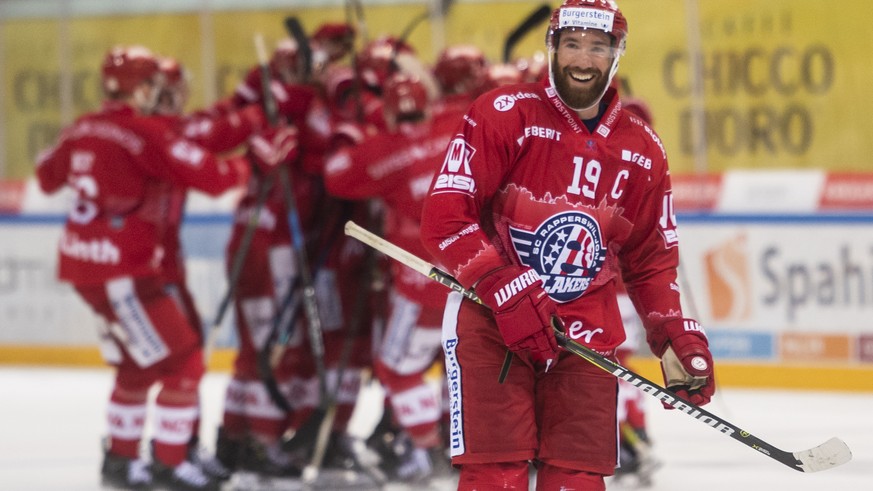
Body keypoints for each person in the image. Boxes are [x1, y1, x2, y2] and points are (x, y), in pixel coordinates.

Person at [419, 1, 716, 489]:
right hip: (492, 321)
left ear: (618, 53)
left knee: (577, 478)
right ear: (551, 46)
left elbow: (650, 263)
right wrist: (498, 281)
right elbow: (446, 215)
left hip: (586, 335)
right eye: (572, 44)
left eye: (598, 47)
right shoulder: (502, 113)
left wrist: (673, 334)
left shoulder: (644, 150)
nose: (583, 58)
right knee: (498, 474)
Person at [34, 45, 296, 491]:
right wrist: (256, 162)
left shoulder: (81, 128)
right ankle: (169, 463)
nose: (161, 94)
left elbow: (45, 175)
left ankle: (120, 460)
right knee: (186, 365)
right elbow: (213, 177)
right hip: (125, 274)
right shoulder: (147, 133)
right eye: (154, 85)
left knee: (137, 369)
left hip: (88, 268)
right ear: (141, 88)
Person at [323, 73, 456, 483]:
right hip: (469, 281)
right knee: (462, 370)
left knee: (397, 369)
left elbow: (336, 175)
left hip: (420, 286)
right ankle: (463, 449)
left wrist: (357, 134)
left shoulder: (386, 149)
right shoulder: (454, 129)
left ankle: (423, 450)